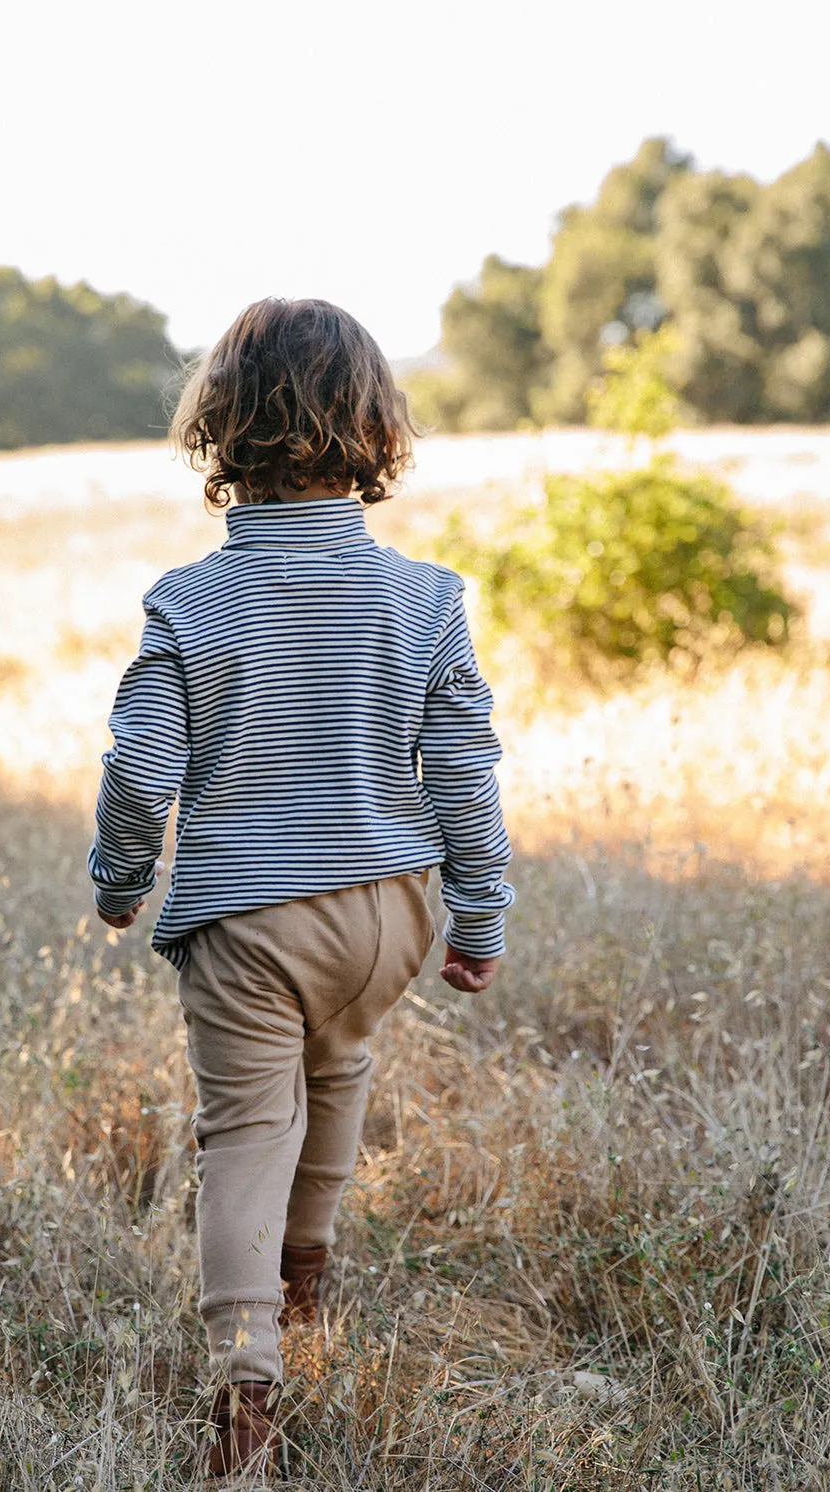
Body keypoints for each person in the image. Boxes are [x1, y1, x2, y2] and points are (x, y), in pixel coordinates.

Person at [87, 297, 513, 1477]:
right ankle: (307, 1291)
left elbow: (139, 768)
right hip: (392, 910)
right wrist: (478, 914)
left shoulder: (191, 602)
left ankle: (246, 1396)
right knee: (341, 1077)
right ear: (377, 429)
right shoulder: (428, 598)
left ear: (218, 428)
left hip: (251, 920)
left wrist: (121, 877)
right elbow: (466, 768)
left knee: (242, 1137)